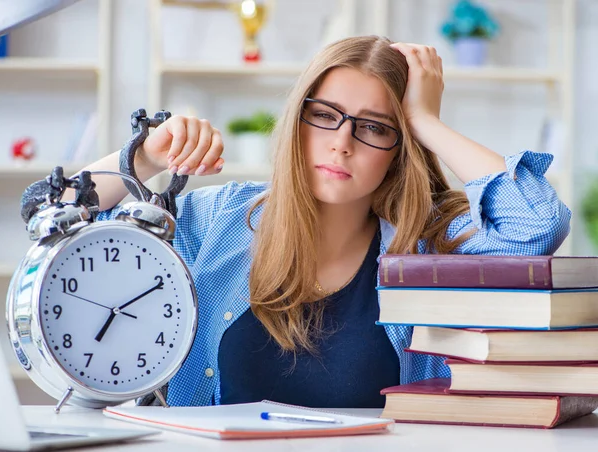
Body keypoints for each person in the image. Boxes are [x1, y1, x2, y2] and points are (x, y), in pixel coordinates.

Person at [78, 36, 570, 408]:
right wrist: (141, 158)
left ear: (400, 150)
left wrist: (426, 121)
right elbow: (59, 221)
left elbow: (537, 225)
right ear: (297, 120)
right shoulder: (211, 222)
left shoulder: (428, 252)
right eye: (325, 115)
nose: (343, 142)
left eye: (376, 126)